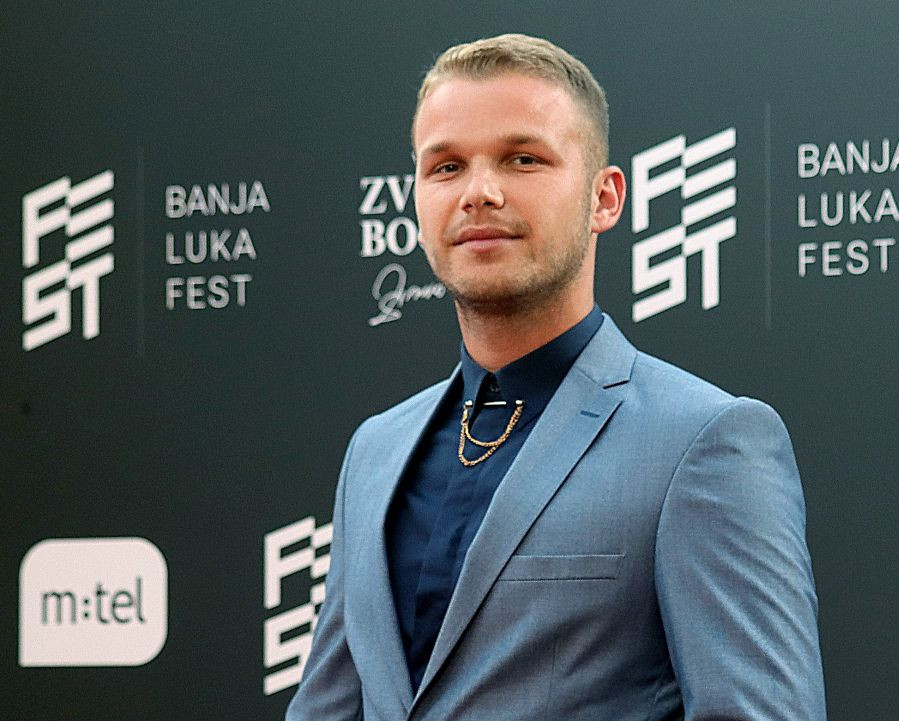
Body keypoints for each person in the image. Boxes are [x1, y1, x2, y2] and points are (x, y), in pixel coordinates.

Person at [287, 33, 826, 721]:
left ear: (605, 198)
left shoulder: (706, 443)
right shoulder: (375, 451)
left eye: (523, 159)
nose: (479, 193)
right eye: (446, 167)